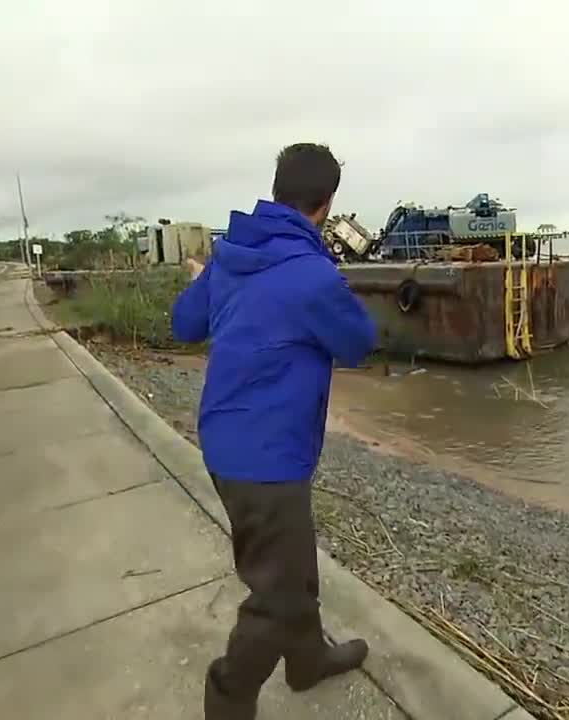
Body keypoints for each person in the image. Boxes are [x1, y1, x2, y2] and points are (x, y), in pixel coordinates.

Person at [170, 143, 378, 720]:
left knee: (292, 561)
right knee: (277, 595)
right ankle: (227, 698)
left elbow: (184, 324)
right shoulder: (312, 275)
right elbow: (359, 344)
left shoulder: (232, 256)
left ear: (278, 189)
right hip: (268, 459)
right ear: (328, 203)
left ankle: (307, 660)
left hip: (227, 441)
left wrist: (207, 279)